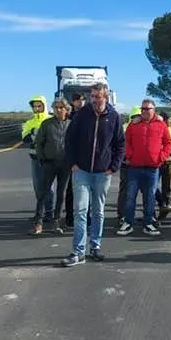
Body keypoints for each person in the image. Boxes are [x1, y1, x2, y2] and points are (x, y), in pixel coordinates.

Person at [61, 82, 125, 267]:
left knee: (98, 211)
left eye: (99, 96)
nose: (95, 100)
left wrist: (113, 167)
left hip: (102, 173)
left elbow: (120, 144)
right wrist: (72, 163)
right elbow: (70, 139)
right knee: (80, 210)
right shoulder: (82, 115)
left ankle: (95, 246)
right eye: (93, 96)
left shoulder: (114, 117)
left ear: (105, 97)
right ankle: (78, 252)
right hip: (81, 171)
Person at [118, 99, 171, 236]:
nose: (144, 111)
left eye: (147, 109)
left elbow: (168, 143)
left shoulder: (161, 125)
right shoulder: (133, 124)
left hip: (153, 168)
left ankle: (148, 223)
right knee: (130, 197)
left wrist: (161, 157)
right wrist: (129, 155)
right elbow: (126, 141)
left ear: (153, 110)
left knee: (149, 197)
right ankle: (128, 223)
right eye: (142, 109)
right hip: (134, 168)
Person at [32, 98, 72, 235]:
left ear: (67, 109)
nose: (58, 110)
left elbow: (76, 145)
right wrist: (42, 159)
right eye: (55, 107)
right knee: (43, 193)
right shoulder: (46, 124)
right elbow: (39, 143)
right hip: (49, 163)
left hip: (65, 165)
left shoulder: (71, 125)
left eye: (61, 107)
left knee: (61, 194)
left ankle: (56, 222)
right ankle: (38, 222)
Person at [23, 95, 53, 223]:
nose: (37, 108)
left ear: (44, 106)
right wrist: (36, 133)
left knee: (48, 186)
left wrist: (35, 134)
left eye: (39, 106)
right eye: (34, 106)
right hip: (35, 158)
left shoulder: (51, 119)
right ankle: (39, 212)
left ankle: (49, 212)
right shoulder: (29, 122)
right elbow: (25, 138)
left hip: (49, 159)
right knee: (37, 186)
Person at [64, 93, 86, 227]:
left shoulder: (88, 114)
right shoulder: (69, 116)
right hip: (71, 157)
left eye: (83, 100)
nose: (81, 102)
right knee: (70, 189)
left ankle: (86, 217)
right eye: (78, 100)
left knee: (86, 190)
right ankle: (69, 217)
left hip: (84, 156)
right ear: (73, 102)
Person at [155, 111, 171, 220]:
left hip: (169, 162)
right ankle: (161, 203)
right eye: (170, 119)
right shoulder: (158, 128)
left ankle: (166, 205)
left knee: (166, 185)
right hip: (158, 162)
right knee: (153, 185)